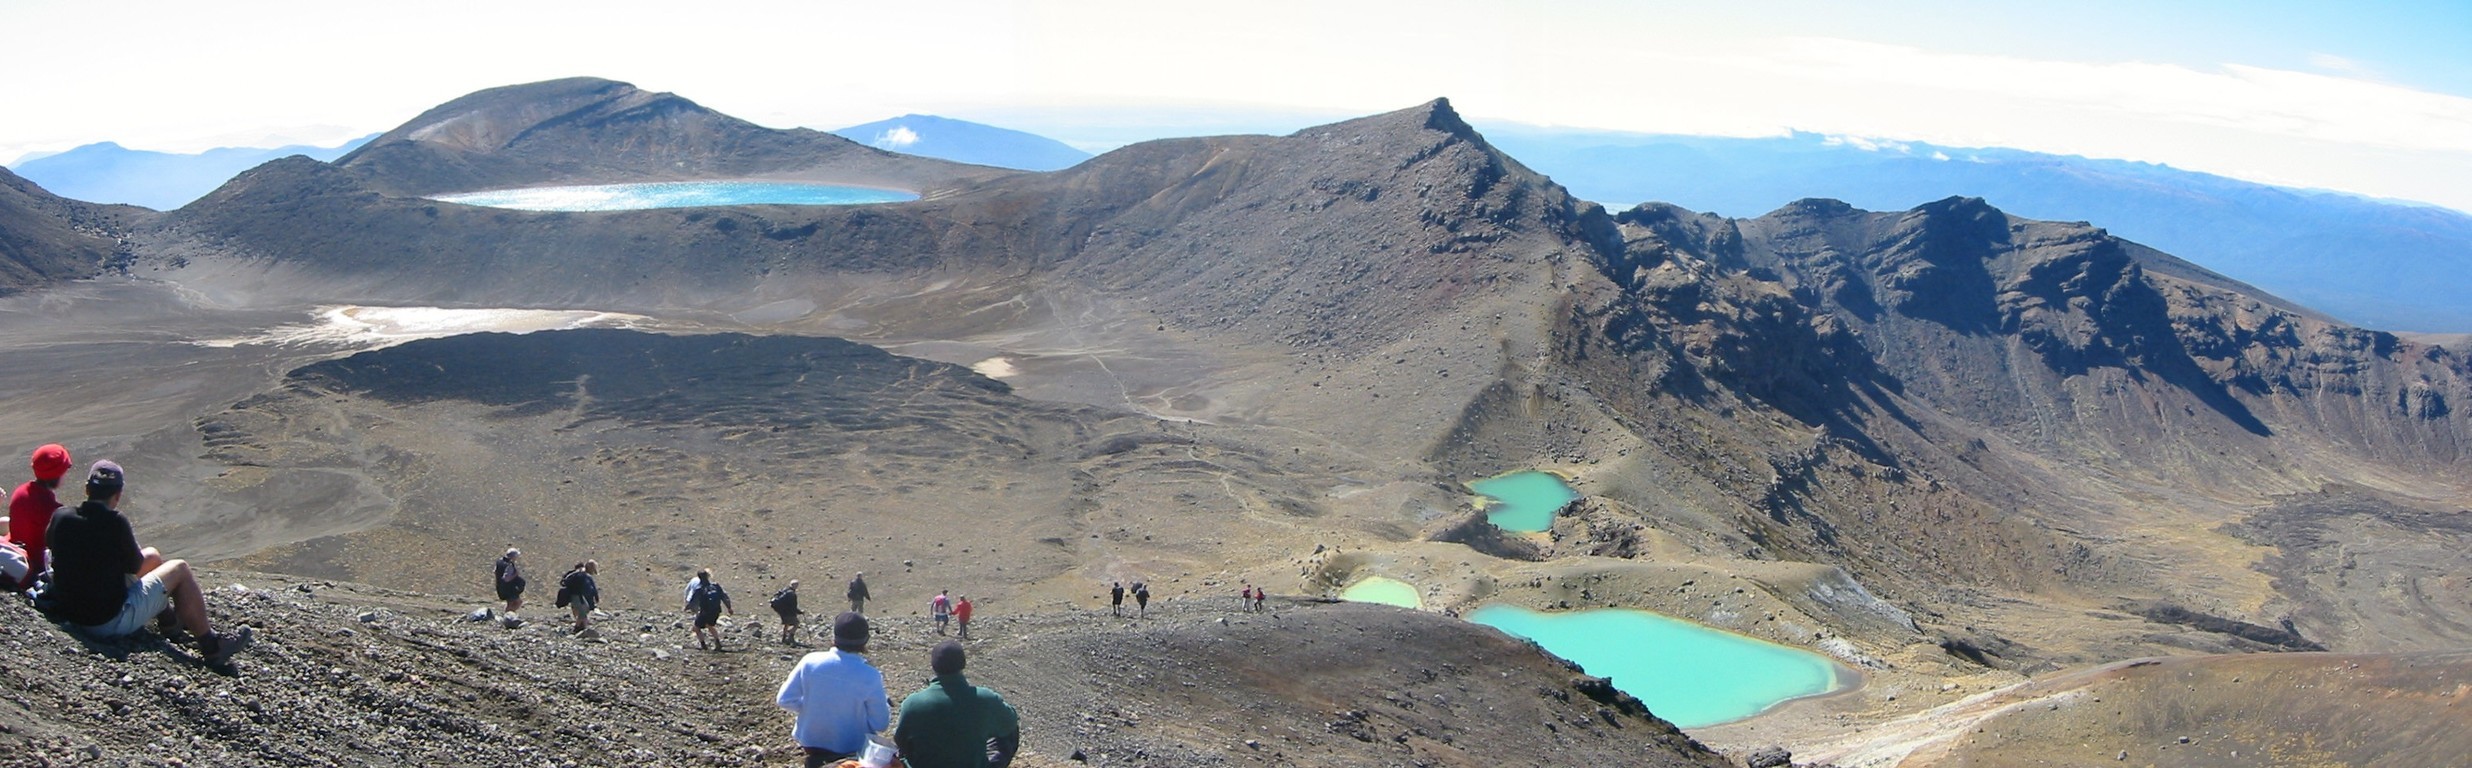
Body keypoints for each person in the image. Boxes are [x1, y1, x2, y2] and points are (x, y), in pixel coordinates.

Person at [44, 461, 252, 664]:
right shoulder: (115, 522)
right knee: (179, 569)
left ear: (87, 489)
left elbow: (51, 543)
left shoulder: (62, 516)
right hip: (104, 622)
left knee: (152, 556)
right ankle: (211, 647)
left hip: (70, 609)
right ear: (117, 495)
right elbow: (133, 566)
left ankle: (170, 623)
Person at [776, 612, 890, 767]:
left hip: (811, 743)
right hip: (851, 749)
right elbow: (880, 724)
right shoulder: (870, 675)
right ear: (865, 641)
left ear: (834, 637)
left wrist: (813, 707)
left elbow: (784, 699)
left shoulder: (810, 661)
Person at [893, 640, 1020, 768]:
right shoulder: (986, 699)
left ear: (934, 665)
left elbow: (901, 741)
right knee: (1008, 728)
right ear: (963, 664)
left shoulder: (912, 703)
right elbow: (1010, 721)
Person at [6, 444, 73, 588]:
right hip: (35, 566)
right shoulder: (53, 511)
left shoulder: (21, 491)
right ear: (59, 474)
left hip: (15, 548)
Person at [692, 574, 734, 650]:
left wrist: (689, 608)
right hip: (716, 611)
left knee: (696, 628)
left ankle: (703, 645)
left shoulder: (700, 589)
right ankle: (717, 642)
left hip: (705, 612)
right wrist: (729, 608)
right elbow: (724, 597)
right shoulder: (716, 586)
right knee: (709, 625)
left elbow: (693, 601)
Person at [560, 560, 599, 634]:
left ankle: (581, 627)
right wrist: (595, 599)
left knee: (583, 610)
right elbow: (590, 589)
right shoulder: (584, 575)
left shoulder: (578, 574)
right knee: (583, 611)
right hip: (578, 596)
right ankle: (578, 628)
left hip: (575, 596)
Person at [493, 548, 526, 625]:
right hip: (509, 588)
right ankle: (509, 617)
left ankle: (508, 616)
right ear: (513, 556)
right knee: (518, 602)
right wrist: (515, 574)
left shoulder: (499, 561)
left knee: (510, 603)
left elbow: (495, 571)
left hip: (500, 587)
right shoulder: (509, 565)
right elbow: (506, 579)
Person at [772, 580, 803, 646]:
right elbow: (793, 606)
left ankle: (784, 638)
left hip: (782, 611)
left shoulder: (784, 590)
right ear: (795, 586)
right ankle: (790, 637)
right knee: (796, 623)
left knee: (787, 624)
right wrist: (799, 612)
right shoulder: (792, 594)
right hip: (788, 612)